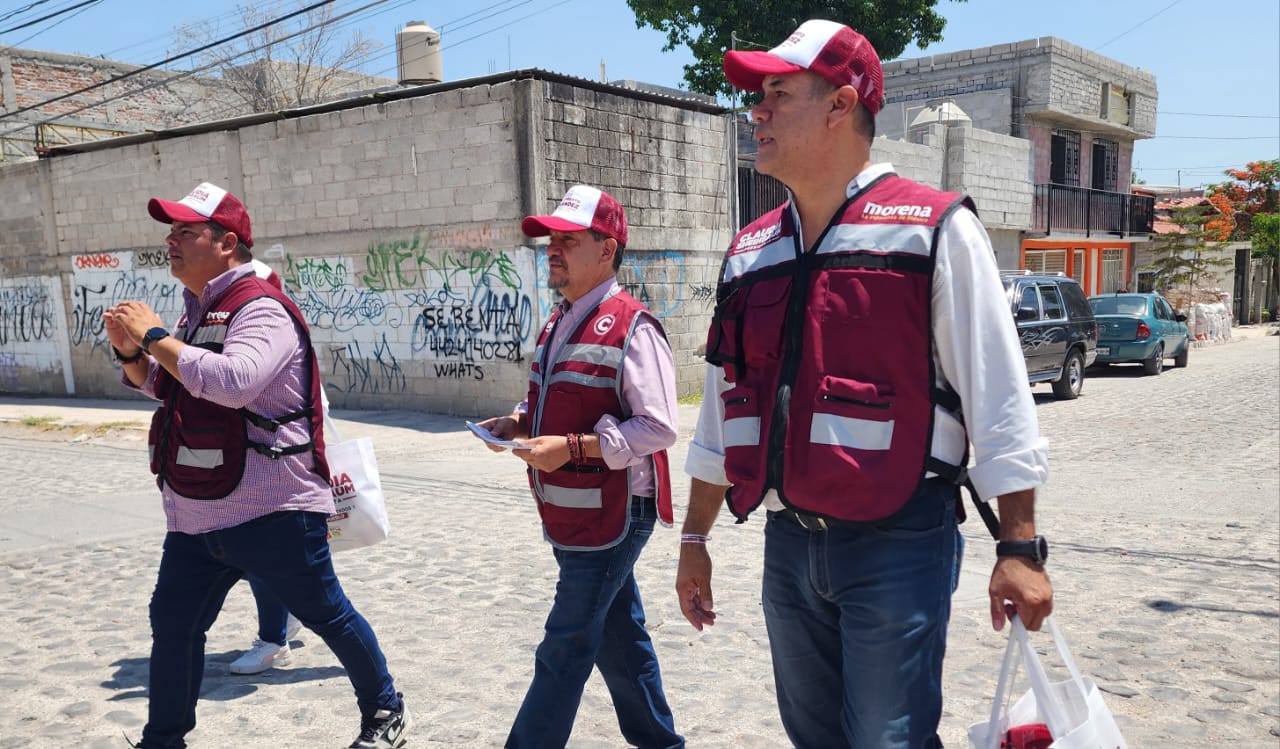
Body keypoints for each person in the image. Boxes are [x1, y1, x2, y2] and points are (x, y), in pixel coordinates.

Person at [675, 20, 1054, 749]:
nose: (756, 111)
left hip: (899, 540)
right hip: (788, 543)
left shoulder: (933, 230)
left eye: (777, 93)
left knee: (889, 738)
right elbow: (725, 414)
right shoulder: (752, 250)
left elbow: (999, 397)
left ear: (840, 105)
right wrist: (696, 534)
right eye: (758, 96)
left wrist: (1020, 545)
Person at [103, 182, 410, 749]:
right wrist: (131, 354)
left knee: (327, 614)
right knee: (174, 626)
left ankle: (386, 708)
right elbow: (175, 390)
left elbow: (234, 382)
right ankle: (163, 739)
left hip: (272, 509)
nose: (170, 242)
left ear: (227, 243)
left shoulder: (261, 308)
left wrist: (153, 336)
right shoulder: (198, 311)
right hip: (197, 511)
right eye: (170, 232)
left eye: (185, 232)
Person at [478, 185, 684, 749]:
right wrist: (518, 423)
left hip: (615, 514)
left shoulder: (634, 326)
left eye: (568, 240)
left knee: (565, 646)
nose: (553, 250)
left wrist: (572, 448)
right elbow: (554, 399)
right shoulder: (558, 320)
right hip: (573, 513)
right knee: (621, 641)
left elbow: (661, 427)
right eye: (551, 241)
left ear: (607, 250)